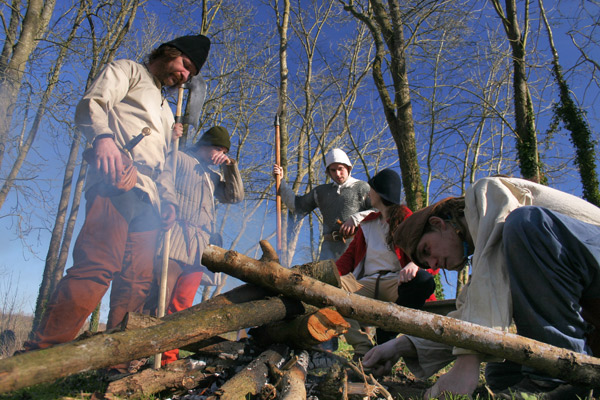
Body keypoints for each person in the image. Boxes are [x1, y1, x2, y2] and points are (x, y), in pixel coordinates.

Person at [24, 34, 211, 352]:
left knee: (137, 282)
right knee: (97, 265)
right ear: (169, 53)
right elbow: (92, 105)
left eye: (191, 73)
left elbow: (164, 163)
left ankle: (118, 367)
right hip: (117, 176)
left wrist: (168, 201)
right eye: (184, 65)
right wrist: (103, 138)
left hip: (150, 196)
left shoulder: (167, 112)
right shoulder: (129, 70)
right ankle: (41, 353)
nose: (184, 75)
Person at [362, 176, 600, 399]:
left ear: (438, 224)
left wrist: (467, 362)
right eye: (426, 264)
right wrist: (402, 345)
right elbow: (469, 313)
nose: (433, 264)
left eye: (427, 251)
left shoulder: (485, 192)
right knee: (500, 374)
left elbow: (489, 279)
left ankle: (557, 377)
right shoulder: (488, 261)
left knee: (525, 223)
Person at [151, 125, 244, 365]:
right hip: (173, 239)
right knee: (158, 300)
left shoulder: (213, 176)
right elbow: (163, 181)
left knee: (181, 305)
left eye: (224, 151)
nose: (220, 154)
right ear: (205, 145)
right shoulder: (179, 157)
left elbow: (235, 196)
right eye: (218, 149)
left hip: (198, 247)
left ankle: (167, 361)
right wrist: (170, 205)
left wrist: (229, 165)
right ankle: (143, 357)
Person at [335, 168, 438, 359]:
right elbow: (348, 258)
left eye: (372, 190)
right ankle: (363, 346)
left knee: (423, 281)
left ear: (380, 193)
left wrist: (416, 265)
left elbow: (433, 252)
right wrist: (328, 275)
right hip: (366, 282)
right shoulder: (367, 223)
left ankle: (386, 339)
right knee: (330, 291)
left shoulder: (409, 219)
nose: (368, 194)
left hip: (396, 283)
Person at [272, 148, 372, 261]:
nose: (337, 174)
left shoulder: (362, 187)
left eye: (340, 169)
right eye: (333, 170)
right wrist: (281, 181)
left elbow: (379, 210)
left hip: (356, 249)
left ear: (348, 168)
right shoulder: (321, 192)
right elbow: (297, 206)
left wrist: (355, 219)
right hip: (328, 253)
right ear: (328, 172)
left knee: (353, 279)